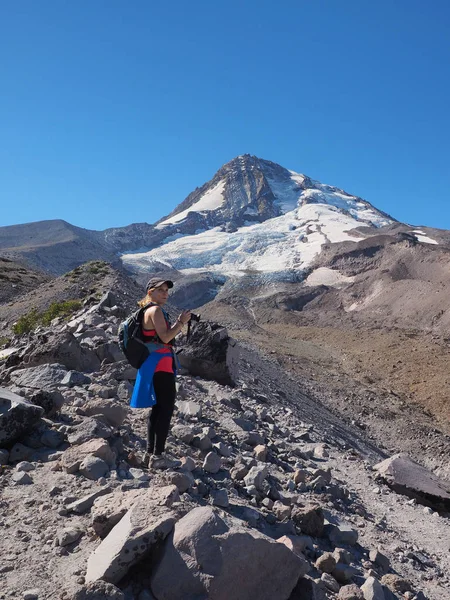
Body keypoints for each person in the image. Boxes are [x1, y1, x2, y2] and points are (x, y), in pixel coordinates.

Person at [133, 277, 191, 468]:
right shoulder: (155, 310)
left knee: (157, 409)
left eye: (166, 290)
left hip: (153, 363)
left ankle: (151, 453)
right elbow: (166, 337)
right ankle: (158, 456)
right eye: (161, 290)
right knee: (164, 410)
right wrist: (181, 322)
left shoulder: (146, 310)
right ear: (150, 292)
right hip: (160, 364)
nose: (165, 294)